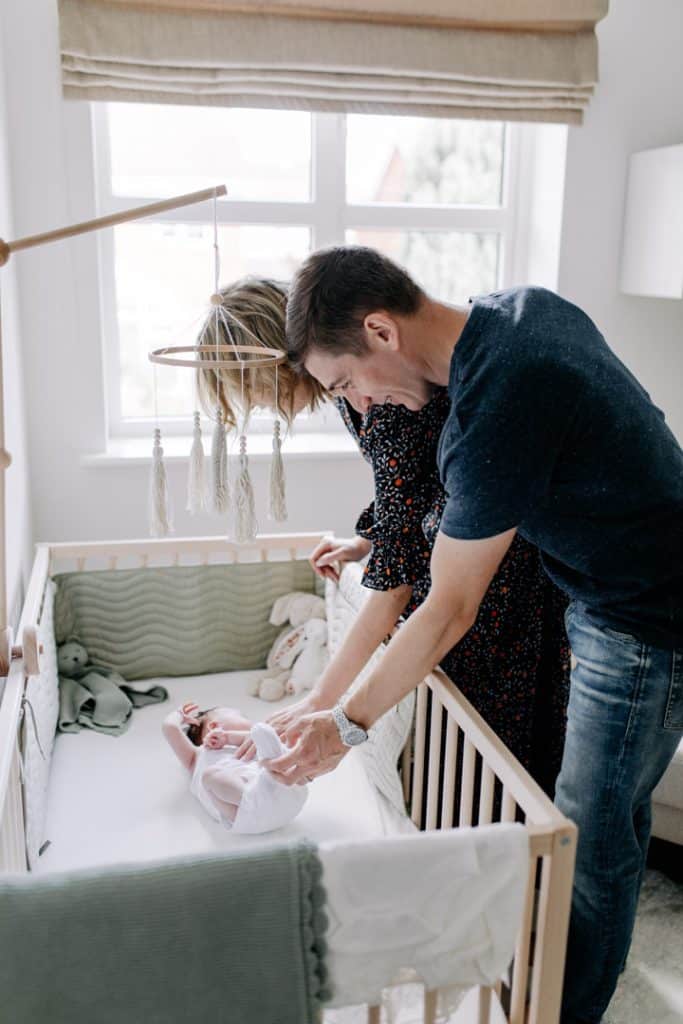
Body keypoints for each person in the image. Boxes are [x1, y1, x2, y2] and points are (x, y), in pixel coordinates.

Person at [276, 246, 683, 1024]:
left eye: (344, 383)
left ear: (379, 331)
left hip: (640, 619)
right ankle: (584, 976)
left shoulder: (497, 404)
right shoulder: (519, 311)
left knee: (583, 839)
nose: (360, 407)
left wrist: (343, 726)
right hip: (616, 592)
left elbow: (446, 608)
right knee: (616, 818)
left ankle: (558, 1011)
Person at [196, 278, 569, 796]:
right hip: (465, 539)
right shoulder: (352, 391)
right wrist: (368, 542)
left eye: (254, 391)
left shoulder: (377, 399)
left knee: (494, 752)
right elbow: (415, 490)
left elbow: (398, 582)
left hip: (490, 568)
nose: (260, 406)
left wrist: (322, 701)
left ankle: (513, 856)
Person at [162, 701, 307, 833]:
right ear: (214, 725)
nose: (248, 720)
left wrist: (230, 737)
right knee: (210, 775)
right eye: (241, 716)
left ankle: (285, 772)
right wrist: (178, 715)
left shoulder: (251, 742)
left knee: (264, 738)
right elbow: (170, 728)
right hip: (243, 812)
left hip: (280, 791)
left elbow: (255, 736)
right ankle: (250, 795)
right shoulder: (196, 757)